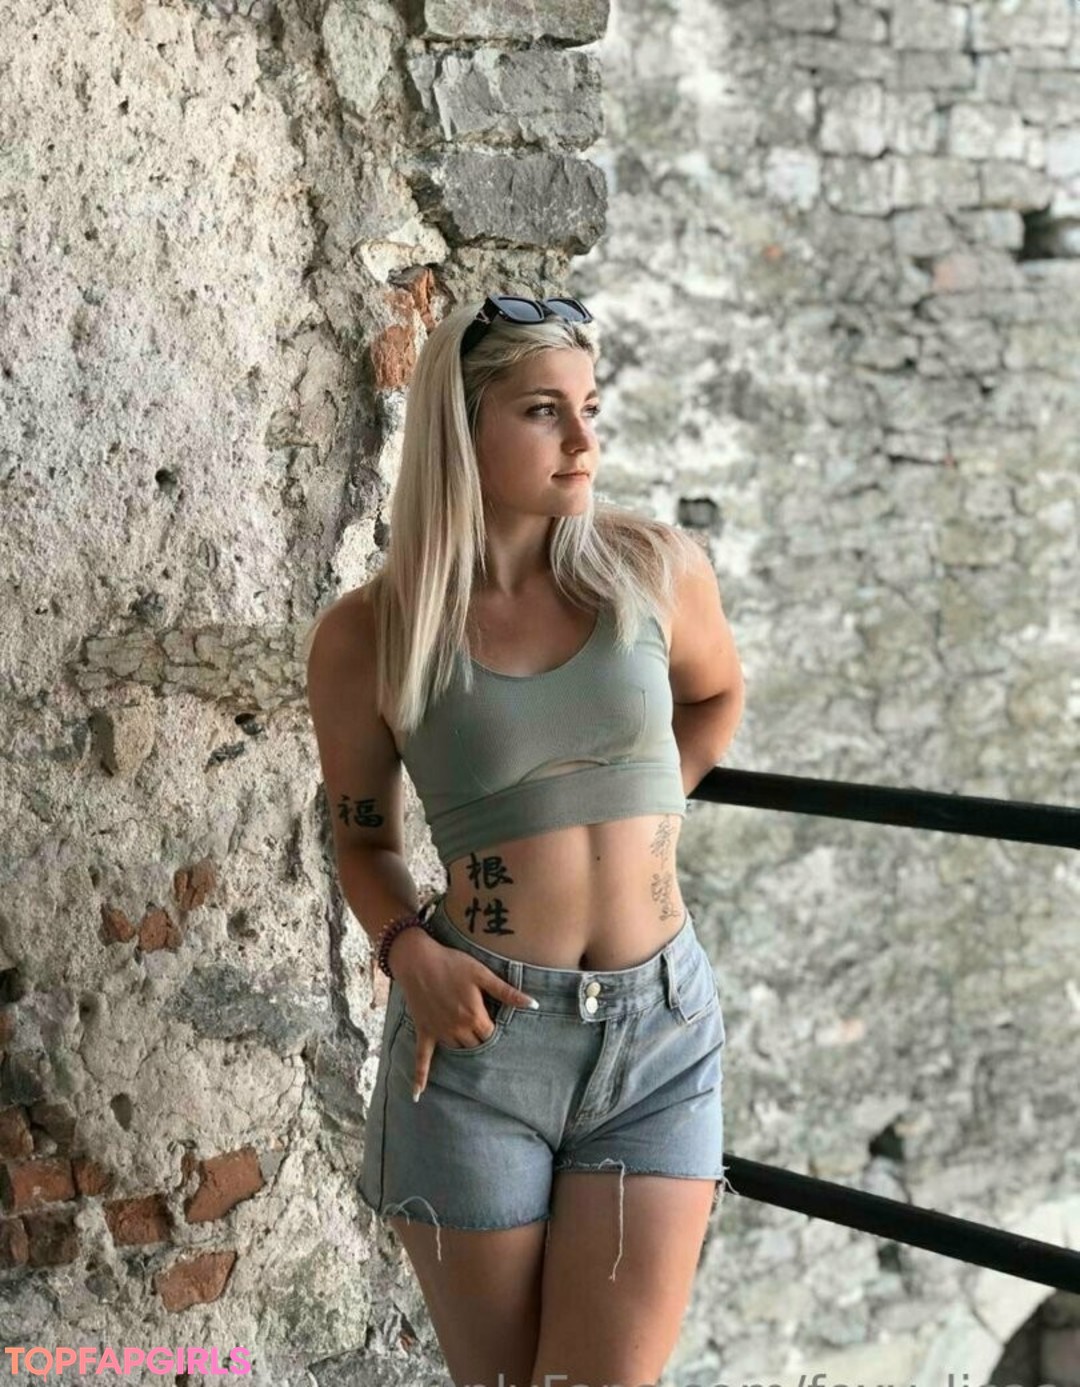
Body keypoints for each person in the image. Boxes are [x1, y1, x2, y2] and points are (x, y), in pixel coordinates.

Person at [304, 293, 745, 1387]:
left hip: (660, 1031)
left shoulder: (655, 569)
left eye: (590, 407)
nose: (584, 441)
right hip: (480, 1043)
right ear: (461, 428)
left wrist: (649, 814)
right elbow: (363, 844)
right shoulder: (372, 633)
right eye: (545, 411)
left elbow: (715, 695)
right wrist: (409, 949)